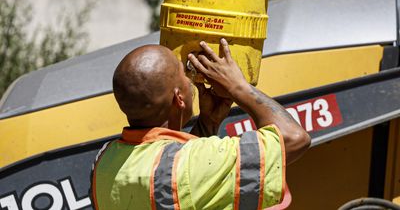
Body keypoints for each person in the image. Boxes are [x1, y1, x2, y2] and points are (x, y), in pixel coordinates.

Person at [91, 38, 311, 210]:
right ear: (179, 98)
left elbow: (177, 185)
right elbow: (293, 138)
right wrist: (238, 87)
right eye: (185, 75)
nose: (191, 81)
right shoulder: (184, 167)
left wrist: (208, 123)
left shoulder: (104, 163)